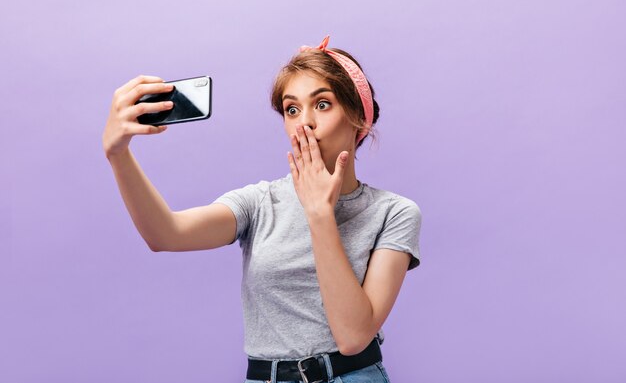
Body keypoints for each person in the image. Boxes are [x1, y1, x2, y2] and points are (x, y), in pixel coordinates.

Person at [102, 36, 422, 383]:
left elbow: (352, 337)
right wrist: (118, 155)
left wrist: (320, 214)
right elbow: (166, 235)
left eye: (323, 104)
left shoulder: (394, 213)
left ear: (360, 117)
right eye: (292, 109)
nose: (304, 123)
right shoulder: (259, 202)